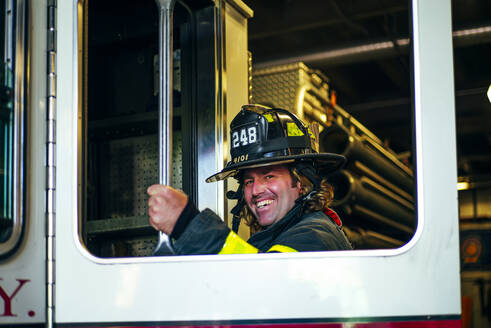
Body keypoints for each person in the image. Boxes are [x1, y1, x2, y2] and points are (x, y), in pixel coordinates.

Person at [148, 104, 352, 254]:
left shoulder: (314, 236)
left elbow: (261, 287)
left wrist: (187, 223)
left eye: (269, 175)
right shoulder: (276, 238)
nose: (255, 191)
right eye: (248, 181)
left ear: (301, 182)